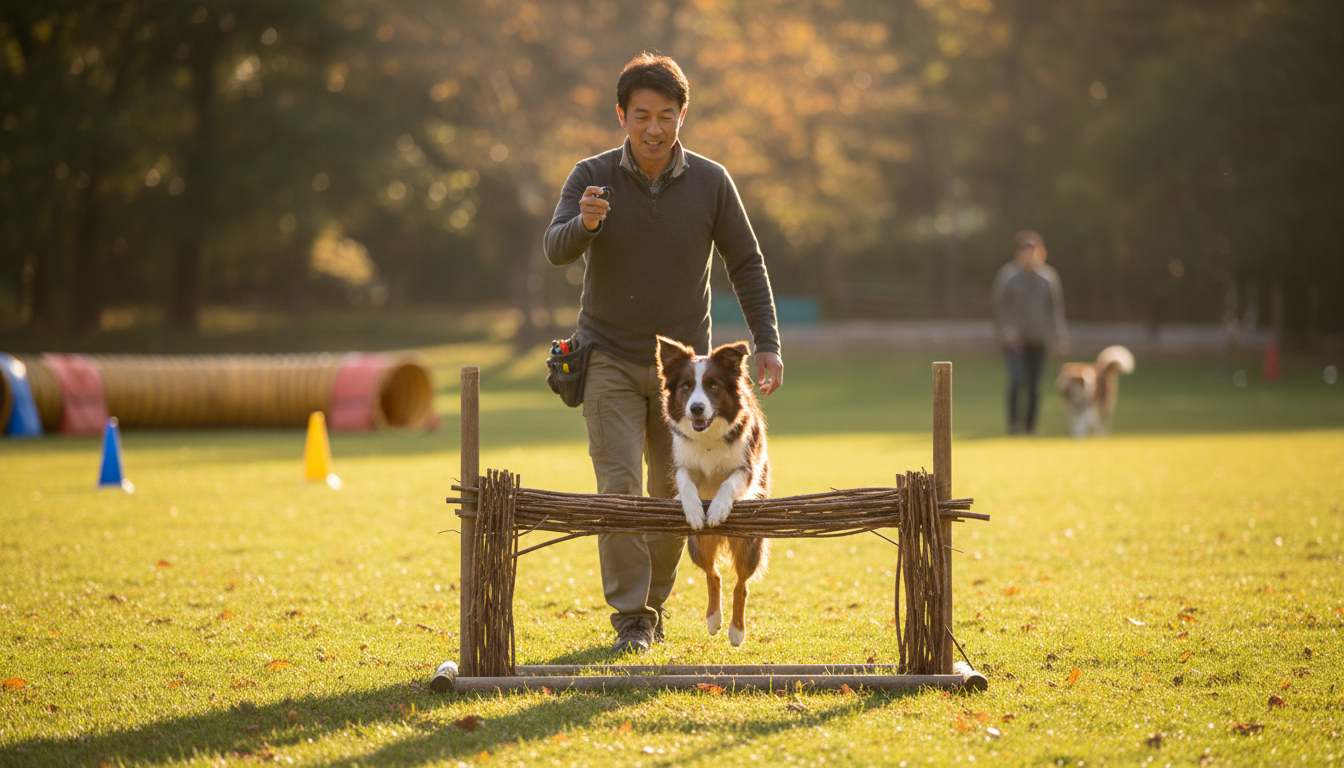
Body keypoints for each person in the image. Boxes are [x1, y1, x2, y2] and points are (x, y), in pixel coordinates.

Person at [543, 53, 783, 653]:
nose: (654, 128)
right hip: (608, 359)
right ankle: (631, 619)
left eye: (667, 116)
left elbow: (746, 263)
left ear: (682, 117)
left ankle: (653, 605)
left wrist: (769, 344)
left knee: (677, 492)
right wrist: (587, 225)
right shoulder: (591, 176)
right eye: (642, 116)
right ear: (622, 115)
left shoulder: (711, 181)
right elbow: (555, 248)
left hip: (684, 377)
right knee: (619, 490)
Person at [992, 230, 1068, 435]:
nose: (1030, 255)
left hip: (1039, 338)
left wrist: (1059, 338)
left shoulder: (1048, 278)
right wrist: (1007, 332)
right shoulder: (1008, 277)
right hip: (1015, 340)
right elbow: (1001, 308)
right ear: (1018, 253)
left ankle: (1030, 427)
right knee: (1017, 381)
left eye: (1034, 250)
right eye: (1026, 251)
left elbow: (1055, 310)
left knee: (1035, 385)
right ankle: (1013, 425)